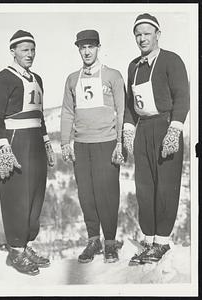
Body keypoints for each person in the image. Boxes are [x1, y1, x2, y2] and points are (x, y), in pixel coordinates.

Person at [123, 14, 189, 265]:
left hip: (165, 126)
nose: (142, 38)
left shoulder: (171, 60)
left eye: (147, 33)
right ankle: (149, 240)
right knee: (144, 188)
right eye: (138, 34)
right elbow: (130, 104)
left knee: (165, 187)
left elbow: (182, 96)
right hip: (144, 129)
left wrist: (175, 129)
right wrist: (129, 129)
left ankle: (162, 242)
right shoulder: (134, 66)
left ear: (157, 34)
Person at [0, 30, 55, 275]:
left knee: (36, 194)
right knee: (17, 196)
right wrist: (3, 147)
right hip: (15, 142)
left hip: (35, 140)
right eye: (24, 50)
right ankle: (15, 250)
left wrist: (46, 142)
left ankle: (25, 245)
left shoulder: (37, 78)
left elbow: (40, 115)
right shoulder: (2, 79)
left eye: (32, 49)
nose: (30, 54)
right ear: (13, 51)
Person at [60, 29, 125, 263]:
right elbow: (67, 112)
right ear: (78, 49)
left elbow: (122, 111)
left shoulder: (113, 76)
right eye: (82, 47)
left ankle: (110, 242)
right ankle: (93, 240)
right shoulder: (72, 79)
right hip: (82, 145)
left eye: (91, 46)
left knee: (107, 194)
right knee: (86, 194)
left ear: (98, 47)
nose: (86, 51)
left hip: (106, 143)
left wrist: (121, 142)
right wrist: (65, 141)